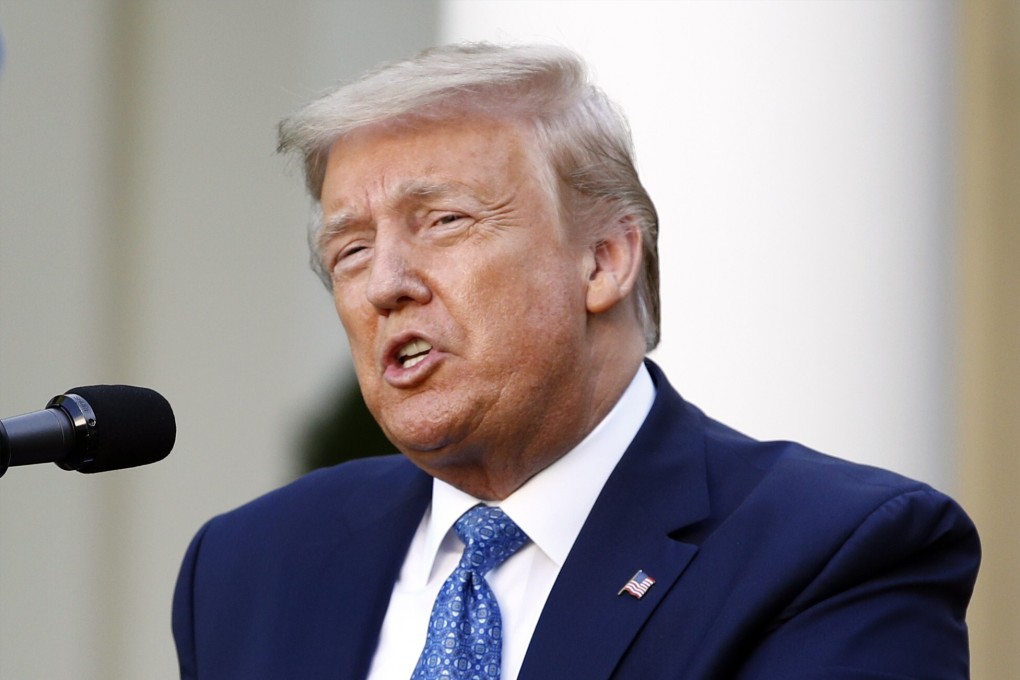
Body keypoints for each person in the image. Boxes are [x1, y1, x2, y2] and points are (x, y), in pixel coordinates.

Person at [172, 43, 980, 679]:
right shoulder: (251, 567)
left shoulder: (832, 553)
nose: (384, 284)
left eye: (444, 221)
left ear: (603, 260)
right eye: (349, 250)